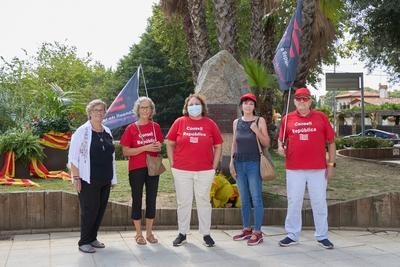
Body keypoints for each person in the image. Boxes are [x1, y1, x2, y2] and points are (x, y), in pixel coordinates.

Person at [278, 87, 336, 249]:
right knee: (294, 201)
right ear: (294, 101)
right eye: (298, 99)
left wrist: (331, 164)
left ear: (310, 100)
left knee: (319, 202)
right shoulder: (287, 119)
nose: (302, 102)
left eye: (305, 99)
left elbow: (331, 143)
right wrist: (280, 148)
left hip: (317, 169)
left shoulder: (321, 117)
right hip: (294, 169)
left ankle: (322, 236)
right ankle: (292, 234)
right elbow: (280, 140)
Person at [166, 94, 223, 247]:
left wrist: (214, 164)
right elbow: (170, 143)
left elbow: (218, 145)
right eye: (191, 104)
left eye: (197, 104)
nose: (194, 107)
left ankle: (206, 234)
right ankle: (182, 233)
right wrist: (172, 163)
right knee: (183, 202)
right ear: (186, 107)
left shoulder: (210, 123)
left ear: (202, 107)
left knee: (203, 201)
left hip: (205, 170)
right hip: (182, 170)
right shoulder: (179, 122)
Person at [68, 99, 117, 253]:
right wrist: (76, 178)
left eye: (102, 110)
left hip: (105, 178)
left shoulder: (107, 131)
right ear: (89, 113)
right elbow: (73, 158)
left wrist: (113, 178)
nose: (99, 113)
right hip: (88, 179)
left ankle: (93, 238)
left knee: (100, 210)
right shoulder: (82, 131)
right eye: (96, 110)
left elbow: (112, 157)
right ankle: (84, 241)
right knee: (89, 210)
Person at [120, 96, 163, 245]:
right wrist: (145, 148)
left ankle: (150, 233)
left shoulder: (155, 127)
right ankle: (138, 234)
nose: (145, 110)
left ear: (152, 110)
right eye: (142, 107)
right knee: (137, 199)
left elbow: (159, 146)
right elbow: (125, 152)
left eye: (148, 107)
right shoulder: (131, 128)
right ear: (137, 110)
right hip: (136, 168)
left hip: (153, 167)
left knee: (151, 199)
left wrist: (158, 147)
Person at [229, 93, 270, 246]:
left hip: (254, 164)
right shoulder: (236, 122)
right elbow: (234, 143)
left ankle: (258, 232)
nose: (248, 106)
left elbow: (266, 143)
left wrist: (256, 130)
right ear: (241, 106)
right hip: (239, 163)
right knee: (244, 199)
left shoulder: (259, 121)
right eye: (245, 103)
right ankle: (247, 229)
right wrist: (232, 162)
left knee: (256, 198)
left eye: (251, 104)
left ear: (254, 106)